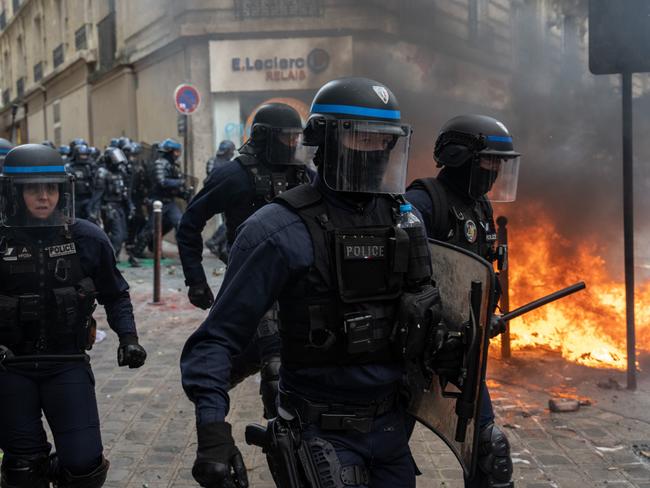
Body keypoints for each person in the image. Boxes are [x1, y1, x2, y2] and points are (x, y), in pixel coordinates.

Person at [180, 78, 457, 488]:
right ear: (325, 142)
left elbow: (425, 307)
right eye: (362, 139)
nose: (376, 152)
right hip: (319, 436)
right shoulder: (277, 229)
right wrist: (212, 432)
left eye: (384, 141)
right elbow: (217, 339)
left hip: (391, 433)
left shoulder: (404, 221)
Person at [0, 144, 147, 487]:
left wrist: (129, 338)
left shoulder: (87, 237)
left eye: (50, 188)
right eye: (33, 190)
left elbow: (116, 294)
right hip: (10, 366)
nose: (43, 198)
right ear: (14, 192)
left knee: (84, 467)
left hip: (66, 361)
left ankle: (56, 466)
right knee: (22, 470)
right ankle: (34, 466)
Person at [177, 103, 312, 419]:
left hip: (299, 283)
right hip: (251, 283)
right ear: (266, 137)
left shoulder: (304, 174)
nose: (293, 145)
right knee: (267, 363)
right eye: (286, 138)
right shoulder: (233, 175)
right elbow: (189, 223)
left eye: (296, 138)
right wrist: (195, 280)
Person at [406, 114, 520, 488]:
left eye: (500, 164)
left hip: (462, 356)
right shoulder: (421, 204)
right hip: (411, 358)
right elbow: (399, 286)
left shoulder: (480, 207)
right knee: (382, 455)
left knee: (490, 455)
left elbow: (479, 275)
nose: (495, 171)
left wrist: (487, 316)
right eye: (489, 160)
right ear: (458, 156)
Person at [131, 138, 191, 257]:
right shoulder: (159, 163)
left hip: (170, 202)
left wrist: (184, 193)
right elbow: (161, 182)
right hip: (157, 201)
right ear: (169, 151)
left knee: (179, 224)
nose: (178, 154)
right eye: (176, 152)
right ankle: (136, 252)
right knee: (150, 229)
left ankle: (185, 252)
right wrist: (179, 182)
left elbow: (175, 184)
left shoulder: (173, 165)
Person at [96, 147, 136, 262]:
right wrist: (94, 212)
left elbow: (126, 193)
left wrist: (130, 206)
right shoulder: (102, 173)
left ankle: (112, 257)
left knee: (122, 235)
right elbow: (97, 195)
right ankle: (108, 260)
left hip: (120, 207)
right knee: (117, 236)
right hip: (109, 207)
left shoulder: (120, 172)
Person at [203, 140, 236, 260]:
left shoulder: (229, 163)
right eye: (231, 151)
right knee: (228, 222)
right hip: (220, 195)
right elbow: (212, 178)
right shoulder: (214, 162)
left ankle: (222, 247)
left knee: (228, 221)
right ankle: (214, 241)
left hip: (227, 194)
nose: (232, 153)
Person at [68, 143, 101, 224]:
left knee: (91, 222)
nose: (84, 157)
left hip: (88, 199)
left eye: (86, 155)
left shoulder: (90, 167)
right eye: (82, 155)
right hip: (75, 200)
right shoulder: (70, 167)